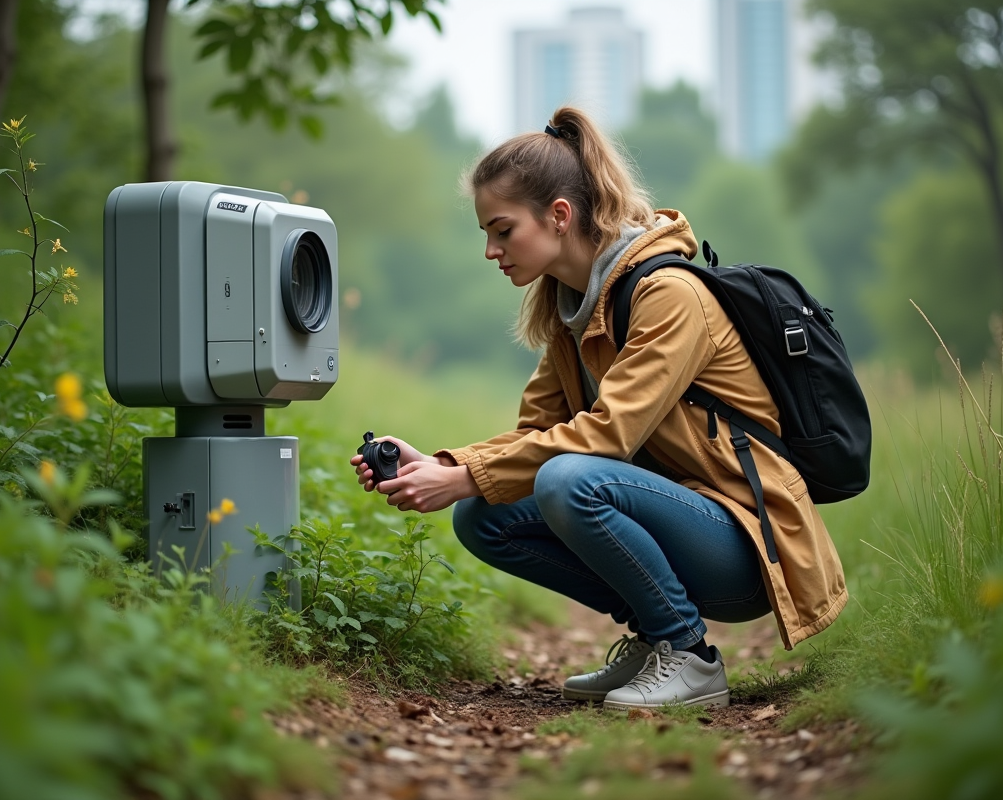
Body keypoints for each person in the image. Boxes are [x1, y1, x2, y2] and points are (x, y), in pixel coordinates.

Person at [349, 106, 848, 711]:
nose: (490, 250)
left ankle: (688, 655)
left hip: (745, 537)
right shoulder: (574, 313)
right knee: (482, 515)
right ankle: (653, 632)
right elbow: (535, 433)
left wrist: (458, 477)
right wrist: (446, 465)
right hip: (679, 522)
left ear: (559, 215)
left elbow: (606, 437)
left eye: (502, 230)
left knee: (567, 478)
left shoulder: (670, 296)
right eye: (487, 233)